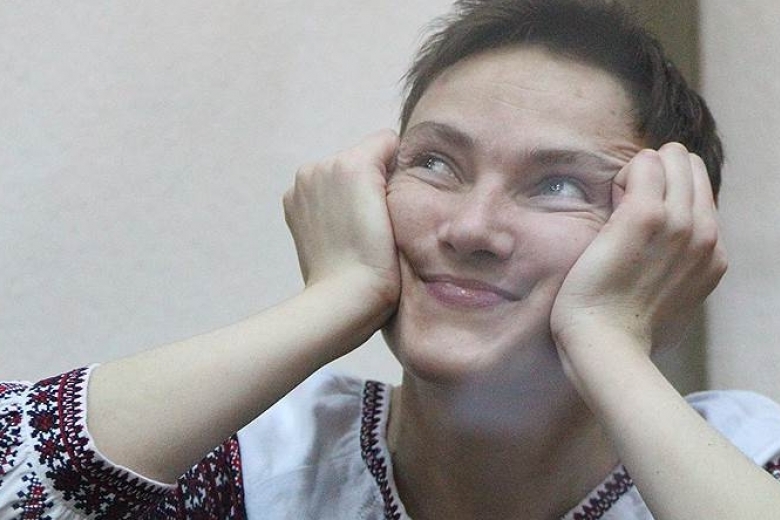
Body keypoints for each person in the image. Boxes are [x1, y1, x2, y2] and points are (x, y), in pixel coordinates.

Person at [2, 0, 780, 518]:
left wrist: (609, 341)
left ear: (665, 238)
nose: (471, 228)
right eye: (436, 163)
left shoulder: (742, 463)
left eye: (557, 185)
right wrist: (336, 297)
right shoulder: (263, 466)